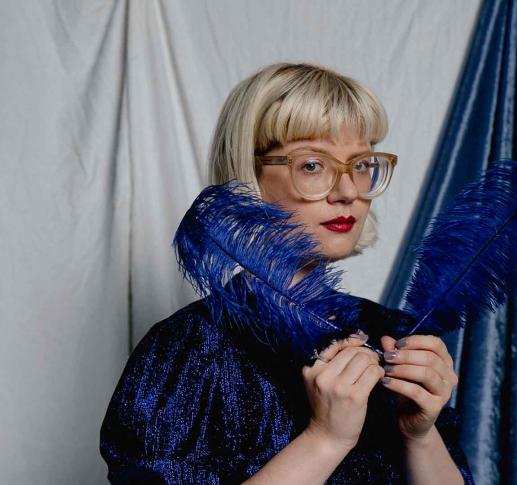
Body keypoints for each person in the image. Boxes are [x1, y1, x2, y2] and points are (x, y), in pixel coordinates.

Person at [100, 62, 475, 484]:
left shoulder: (393, 332)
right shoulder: (189, 351)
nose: (348, 191)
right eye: (312, 165)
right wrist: (325, 439)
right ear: (249, 177)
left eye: (361, 164)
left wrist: (419, 435)